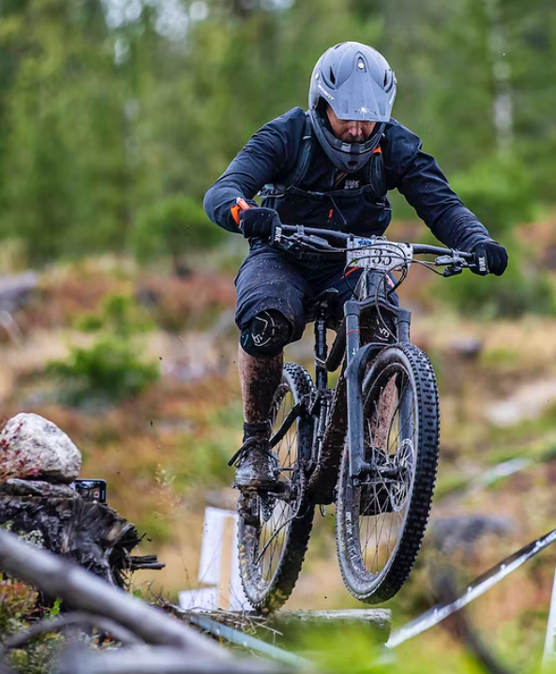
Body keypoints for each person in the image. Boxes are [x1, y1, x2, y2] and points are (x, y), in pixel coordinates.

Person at [203, 41, 508, 490]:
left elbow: (443, 206)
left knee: (382, 325)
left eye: (369, 119)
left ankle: (373, 459)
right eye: (347, 116)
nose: (358, 130)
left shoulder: (396, 146)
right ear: (321, 105)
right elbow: (224, 190)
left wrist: (477, 242)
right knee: (266, 320)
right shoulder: (287, 136)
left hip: (352, 260)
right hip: (281, 255)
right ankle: (256, 446)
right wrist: (245, 213)